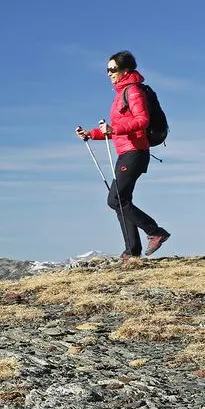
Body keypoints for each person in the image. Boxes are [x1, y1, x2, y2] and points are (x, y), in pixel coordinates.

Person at [76, 50, 171, 259]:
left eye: (113, 69)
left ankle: (155, 232)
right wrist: (91, 134)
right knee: (122, 200)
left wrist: (114, 130)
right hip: (127, 151)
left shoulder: (133, 91)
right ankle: (131, 251)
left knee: (115, 199)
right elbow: (115, 128)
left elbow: (142, 120)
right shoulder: (121, 94)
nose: (109, 73)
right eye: (107, 70)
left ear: (125, 70)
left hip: (135, 152)